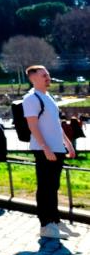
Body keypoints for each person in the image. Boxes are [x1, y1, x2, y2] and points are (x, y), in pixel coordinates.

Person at [23, 65, 80, 239]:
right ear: (33, 78)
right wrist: (44, 147)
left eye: (48, 74)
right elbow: (32, 124)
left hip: (56, 148)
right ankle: (46, 225)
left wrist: (68, 143)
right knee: (45, 187)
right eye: (43, 75)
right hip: (44, 149)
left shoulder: (49, 97)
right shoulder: (31, 98)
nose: (48, 77)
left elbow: (56, 124)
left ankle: (54, 220)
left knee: (53, 186)